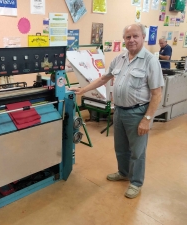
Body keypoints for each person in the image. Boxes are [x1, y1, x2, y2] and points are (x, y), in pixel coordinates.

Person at [69, 23, 164, 199]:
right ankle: (123, 172)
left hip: (138, 113)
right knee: (120, 148)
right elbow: (104, 78)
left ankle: (135, 182)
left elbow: (157, 93)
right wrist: (83, 90)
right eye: (128, 37)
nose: (132, 40)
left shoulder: (150, 61)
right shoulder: (119, 59)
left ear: (143, 37)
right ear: (124, 40)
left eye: (135, 36)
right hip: (119, 111)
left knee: (137, 152)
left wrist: (147, 119)